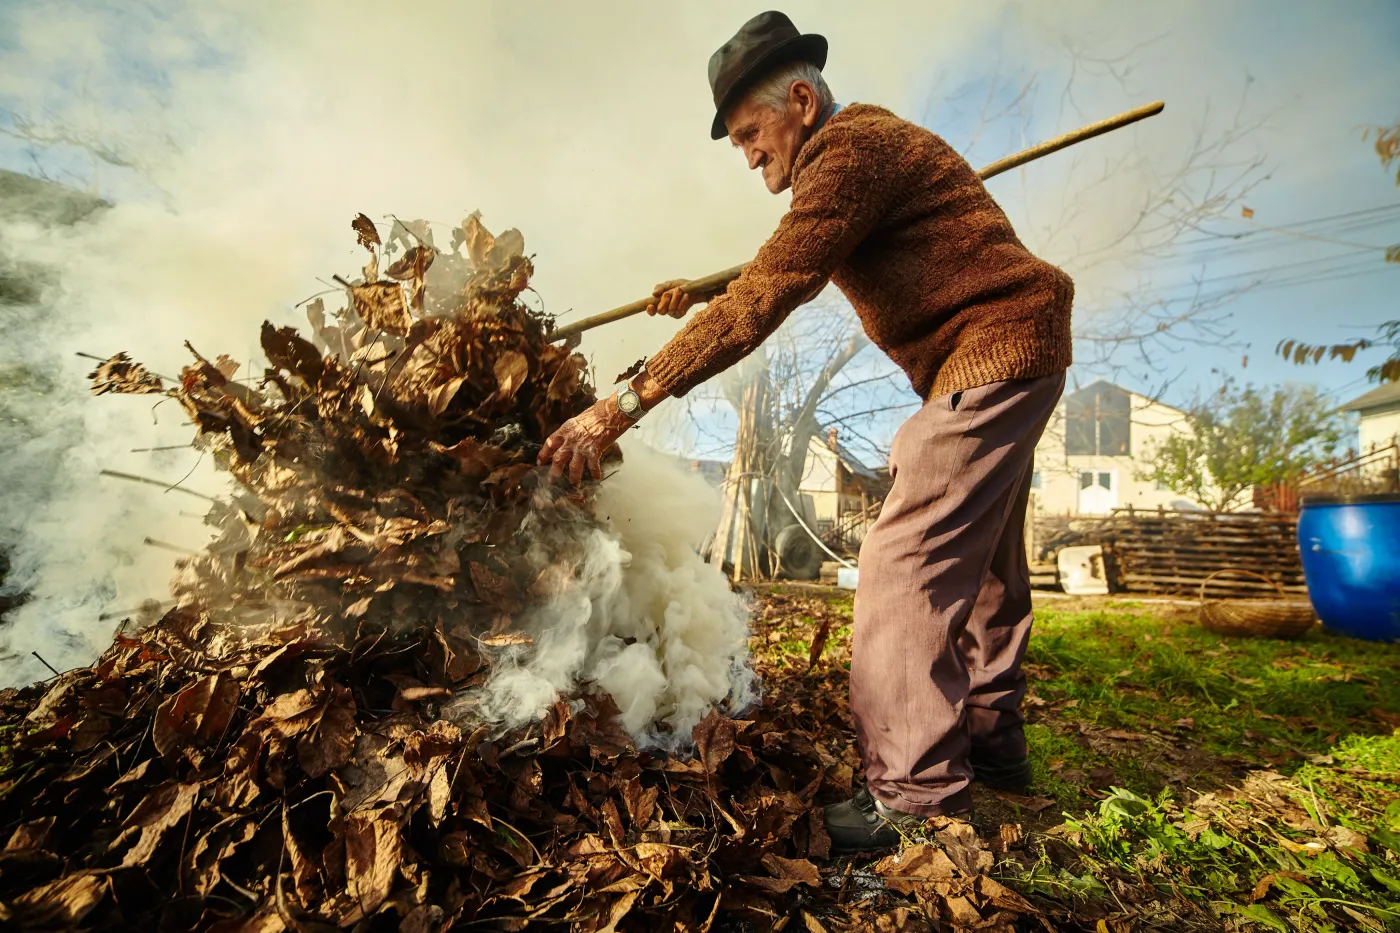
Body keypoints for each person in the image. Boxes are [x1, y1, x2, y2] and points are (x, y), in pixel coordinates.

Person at [538, 10, 1073, 853]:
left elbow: (770, 291)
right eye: (738, 145)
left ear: (800, 101)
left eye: (751, 134)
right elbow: (772, 268)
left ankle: (916, 795)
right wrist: (699, 292)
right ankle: (992, 738)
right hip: (1020, 348)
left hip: (993, 351)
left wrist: (623, 405)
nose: (749, 156)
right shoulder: (857, 158)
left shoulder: (850, 153)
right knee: (987, 562)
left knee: (905, 559)